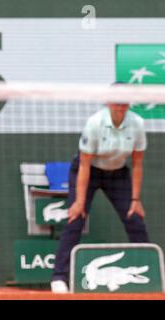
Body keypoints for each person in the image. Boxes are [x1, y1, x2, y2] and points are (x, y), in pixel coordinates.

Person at [51, 88, 150, 293]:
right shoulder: (94, 123)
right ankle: (59, 277)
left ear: (129, 103)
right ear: (108, 102)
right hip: (89, 171)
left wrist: (136, 199)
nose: (120, 104)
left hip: (119, 173)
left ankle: (149, 272)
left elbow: (138, 163)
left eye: (124, 101)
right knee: (75, 219)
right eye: (116, 100)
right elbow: (85, 165)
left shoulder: (137, 124)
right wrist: (79, 201)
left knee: (135, 218)